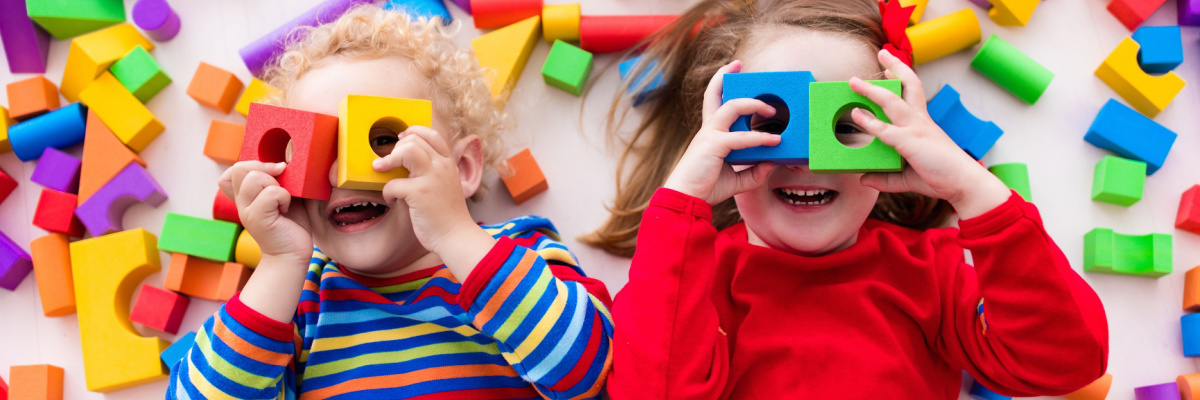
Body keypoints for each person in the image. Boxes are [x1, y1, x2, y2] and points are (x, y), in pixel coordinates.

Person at [590, 0, 1108, 398]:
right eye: (773, 125)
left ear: (895, 142)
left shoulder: (930, 273)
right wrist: (683, 204)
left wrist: (973, 191)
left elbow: (1069, 361)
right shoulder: (695, 281)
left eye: (842, 126)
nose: (808, 161)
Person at [168, 6, 613, 399]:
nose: (340, 174)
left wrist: (456, 235)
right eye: (314, 150)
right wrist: (280, 261)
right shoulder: (297, 300)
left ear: (461, 169)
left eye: (380, 140)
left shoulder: (518, 253)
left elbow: (591, 372)